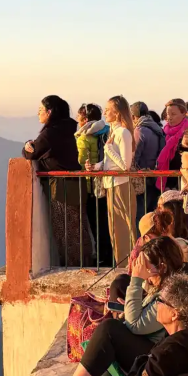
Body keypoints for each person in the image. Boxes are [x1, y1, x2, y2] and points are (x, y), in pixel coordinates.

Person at [48, 237, 185, 376]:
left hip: (153, 359)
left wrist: (136, 280)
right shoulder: (162, 285)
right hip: (147, 345)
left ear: (162, 267)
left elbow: (135, 325)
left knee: (109, 330)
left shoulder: (169, 296)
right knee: (119, 293)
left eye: (146, 266)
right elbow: (141, 316)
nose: (144, 273)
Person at [74, 274, 188, 376]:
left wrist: (142, 360)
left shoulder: (168, 351)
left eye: (160, 301)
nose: (156, 304)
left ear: (174, 314)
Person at [24, 96, 95, 267]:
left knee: (65, 230)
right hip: (75, 184)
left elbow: (32, 153)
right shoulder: (66, 128)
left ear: (49, 112)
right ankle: (84, 263)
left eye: (41, 110)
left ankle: (73, 267)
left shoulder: (51, 133)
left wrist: (27, 145)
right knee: (78, 229)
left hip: (62, 188)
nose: (38, 113)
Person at [87, 96, 138, 266]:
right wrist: (96, 166)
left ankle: (129, 265)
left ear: (117, 113)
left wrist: (108, 149)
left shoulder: (123, 133)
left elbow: (125, 165)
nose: (104, 113)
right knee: (115, 230)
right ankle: (122, 264)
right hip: (112, 185)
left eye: (108, 110)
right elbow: (110, 162)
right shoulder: (114, 132)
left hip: (121, 185)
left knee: (124, 229)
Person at [76, 103, 114, 267]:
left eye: (78, 117)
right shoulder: (106, 131)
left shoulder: (84, 137)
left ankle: (101, 257)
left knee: (95, 224)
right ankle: (110, 255)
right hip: (106, 184)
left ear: (85, 119)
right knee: (105, 223)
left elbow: (80, 162)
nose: (77, 120)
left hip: (91, 186)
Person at [130, 101, 166, 222]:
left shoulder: (139, 131)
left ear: (133, 117)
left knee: (140, 215)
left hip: (141, 177)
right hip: (154, 176)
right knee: (151, 214)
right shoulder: (156, 128)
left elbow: (134, 157)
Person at [156, 99, 188, 191]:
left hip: (183, 183)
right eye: (168, 114)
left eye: (173, 114)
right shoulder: (164, 132)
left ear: (183, 113)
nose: (169, 117)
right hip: (166, 183)